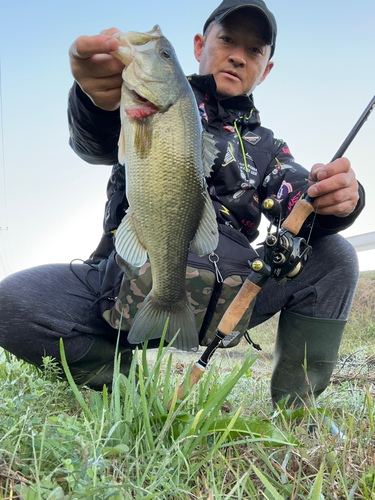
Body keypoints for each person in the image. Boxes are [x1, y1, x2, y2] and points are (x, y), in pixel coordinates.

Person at [0, 0, 364, 406]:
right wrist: (94, 101)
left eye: (255, 50)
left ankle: (298, 411)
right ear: (198, 45)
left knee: (336, 254)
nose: (238, 56)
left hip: (228, 296)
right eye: (227, 39)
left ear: (267, 68)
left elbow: (297, 200)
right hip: (122, 283)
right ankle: (124, 389)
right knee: (10, 304)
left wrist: (338, 198)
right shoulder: (146, 102)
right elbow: (95, 142)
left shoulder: (268, 148)